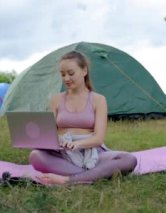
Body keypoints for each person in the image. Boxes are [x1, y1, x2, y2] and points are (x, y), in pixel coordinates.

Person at [29, 51, 137, 185]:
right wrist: (41, 141)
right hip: (63, 152)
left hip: (91, 152)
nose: (66, 79)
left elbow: (98, 139)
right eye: (62, 74)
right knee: (35, 156)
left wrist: (77, 144)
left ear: (84, 70)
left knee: (128, 159)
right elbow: (48, 134)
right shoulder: (56, 100)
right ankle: (93, 175)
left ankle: (68, 180)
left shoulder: (98, 100)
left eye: (71, 73)